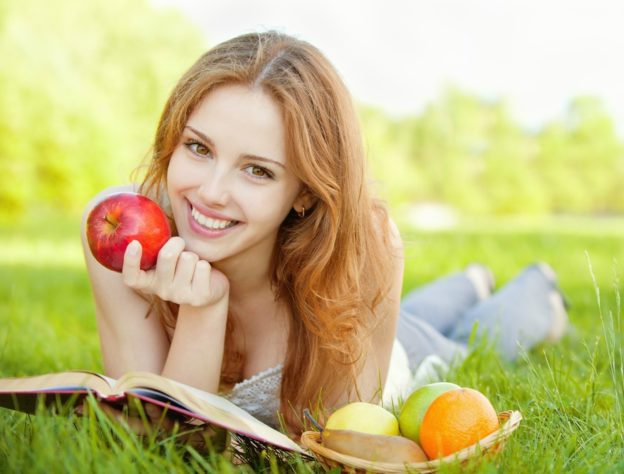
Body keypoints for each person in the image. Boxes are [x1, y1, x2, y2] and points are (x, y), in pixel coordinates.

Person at [81, 31, 568, 436]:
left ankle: (539, 289)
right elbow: (155, 440)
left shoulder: (363, 243)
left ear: (305, 193)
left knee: (476, 339)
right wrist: (203, 312)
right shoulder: (121, 236)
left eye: (257, 170)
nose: (210, 192)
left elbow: (347, 433)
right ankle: (471, 280)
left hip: (393, 355)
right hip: (386, 321)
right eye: (198, 148)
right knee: (429, 312)